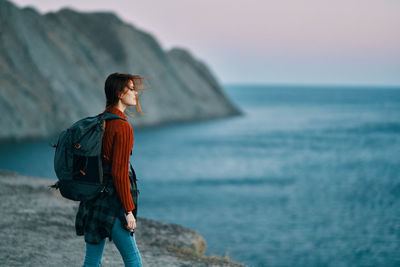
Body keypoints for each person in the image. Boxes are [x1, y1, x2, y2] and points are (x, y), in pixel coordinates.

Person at [75, 72, 147, 267]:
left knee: (92, 260)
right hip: (112, 204)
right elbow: (119, 173)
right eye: (131, 89)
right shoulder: (122, 127)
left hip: (92, 200)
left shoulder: (100, 121)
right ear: (119, 92)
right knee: (133, 260)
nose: (135, 93)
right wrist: (128, 210)